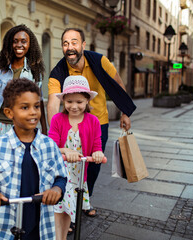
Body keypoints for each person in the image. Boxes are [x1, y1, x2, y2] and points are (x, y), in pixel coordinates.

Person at [47, 28, 136, 217]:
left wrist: (125, 112)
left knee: (93, 164)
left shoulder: (99, 61)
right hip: (68, 122)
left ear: (83, 45)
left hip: (98, 122)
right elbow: (53, 101)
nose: (69, 47)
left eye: (74, 42)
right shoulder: (58, 71)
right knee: (67, 167)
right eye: (65, 43)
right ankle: (68, 206)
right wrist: (53, 131)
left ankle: (85, 199)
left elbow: (118, 83)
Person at [0, 78, 67, 239]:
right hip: (6, 226)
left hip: (41, 227)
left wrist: (57, 189)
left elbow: (61, 177)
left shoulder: (49, 145)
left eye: (36, 106)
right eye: (25, 107)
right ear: (9, 113)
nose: (33, 112)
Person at [48, 75, 104, 239]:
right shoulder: (58, 119)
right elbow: (52, 145)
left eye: (79, 102)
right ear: (63, 100)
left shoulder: (93, 121)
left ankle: (64, 229)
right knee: (63, 203)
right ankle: (61, 232)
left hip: (79, 172)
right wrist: (65, 150)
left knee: (72, 204)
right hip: (61, 170)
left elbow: (96, 142)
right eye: (69, 101)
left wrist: (97, 153)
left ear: (87, 101)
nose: (74, 106)